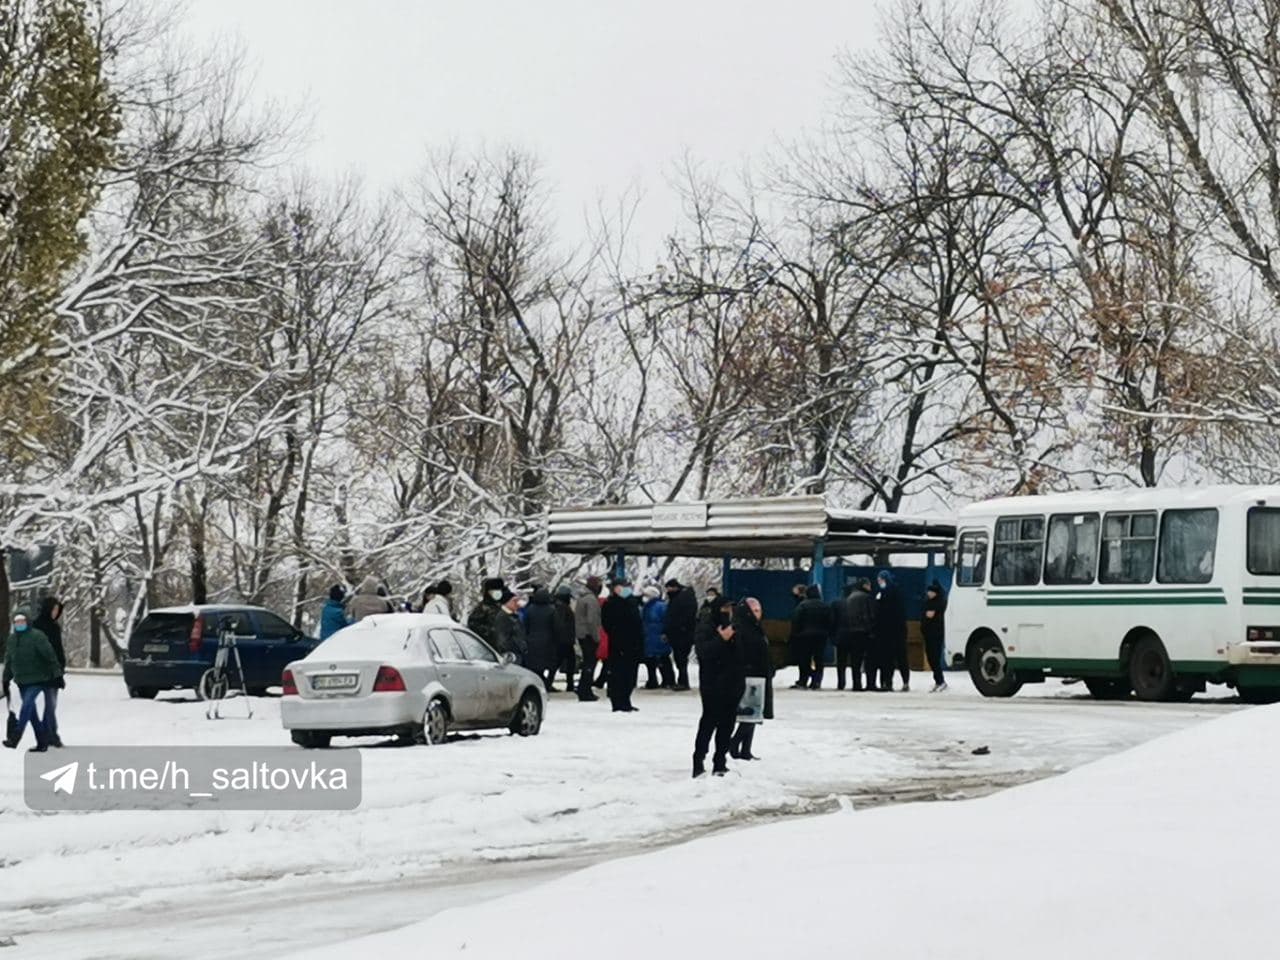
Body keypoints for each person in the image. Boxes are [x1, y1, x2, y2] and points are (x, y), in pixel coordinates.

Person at [692, 596, 745, 777]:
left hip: (733, 683)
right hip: (712, 683)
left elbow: (741, 653)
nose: (727, 612)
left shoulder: (735, 626)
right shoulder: (706, 626)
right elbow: (704, 652)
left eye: (730, 608)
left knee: (727, 724)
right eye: (724, 608)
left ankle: (720, 761)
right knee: (709, 722)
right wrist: (721, 639)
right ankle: (698, 760)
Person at [3, 609, 61, 752]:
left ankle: (16, 736)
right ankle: (42, 742)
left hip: (39, 679)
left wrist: (57, 675)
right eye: (17, 622)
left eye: (22, 621)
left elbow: (50, 656)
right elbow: (9, 661)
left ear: (27, 622)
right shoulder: (11, 640)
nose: (19, 624)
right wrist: (5, 679)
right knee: (31, 713)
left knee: (27, 705)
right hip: (22, 680)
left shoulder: (37, 636)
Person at [730, 597, 772, 762]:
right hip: (749, 676)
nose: (757, 614)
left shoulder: (756, 628)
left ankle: (746, 749)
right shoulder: (743, 629)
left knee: (754, 714)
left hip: (759, 675)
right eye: (754, 611)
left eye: (759, 610)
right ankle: (734, 743)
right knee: (750, 713)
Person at [600, 577, 643, 712]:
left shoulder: (631, 602)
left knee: (629, 675)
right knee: (619, 674)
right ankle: (618, 702)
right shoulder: (611, 604)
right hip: (619, 643)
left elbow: (637, 623)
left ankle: (626, 700)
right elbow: (607, 624)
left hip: (632, 644)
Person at [32, 597, 65, 748]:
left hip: (54, 671)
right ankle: (51, 735)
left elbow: (59, 649)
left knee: (51, 705)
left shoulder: (54, 627)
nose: (56, 613)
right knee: (50, 704)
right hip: (42, 670)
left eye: (58, 610)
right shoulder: (37, 626)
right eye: (54, 609)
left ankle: (48, 734)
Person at [791, 585, 832, 690]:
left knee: (804, 659)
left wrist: (796, 634)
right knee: (819, 659)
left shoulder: (802, 605)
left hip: (804, 636)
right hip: (821, 637)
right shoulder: (825, 606)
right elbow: (830, 621)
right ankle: (817, 682)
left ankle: (803, 680)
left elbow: (796, 620)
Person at [874, 569, 909, 692]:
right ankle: (903, 682)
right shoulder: (897, 592)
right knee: (900, 658)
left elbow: (879, 612)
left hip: (888, 632)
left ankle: (887, 682)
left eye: (880, 580)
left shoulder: (883, 594)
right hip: (897, 631)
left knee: (887, 659)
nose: (879, 582)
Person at [663, 578, 697, 691]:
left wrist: (676, 628)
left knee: (681, 658)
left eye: (669, 588)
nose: (668, 591)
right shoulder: (681, 598)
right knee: (680, 658)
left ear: (675, 587)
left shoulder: (682, 599)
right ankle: (682, 680)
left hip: (682, 634)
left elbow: (679, 617)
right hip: (680, 633)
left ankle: (683, 681)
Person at [573, 575, 603, 702]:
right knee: (590, 663)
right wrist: (597, 637)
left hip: (582, 634)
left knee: (587, 663)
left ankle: (583, 688)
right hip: (589, 635)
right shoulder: (591, 600)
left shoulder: (582, 598)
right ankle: (585, 690)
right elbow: (592, 620)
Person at [523, 586, 557, 689]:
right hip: (548, 641)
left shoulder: (529, 609)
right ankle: (547, 683)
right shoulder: (552, 610)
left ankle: (539, 682)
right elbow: (555, 626)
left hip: (532, 641)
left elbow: (525, 624)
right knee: (549, 664)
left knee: (535, 666)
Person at [640, 586, 674, 689]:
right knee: (651, 660)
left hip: (658, 636)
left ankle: (668, 680)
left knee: (662, 659)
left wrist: (665, 633)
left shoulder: (660, 606)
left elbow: (667, 621)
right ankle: (653, 680)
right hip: (650, 636)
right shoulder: (646, 606)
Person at [846, 578, 876, 692]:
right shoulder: (866, 597)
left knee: (855, 660)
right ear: (865, 585)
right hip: (865, 632)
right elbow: (870, 615)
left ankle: (856, 684)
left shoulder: (850, 597)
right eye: (869, 585)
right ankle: (870, 683)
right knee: (870, 659)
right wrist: (871, 629)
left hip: (852, 632)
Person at [922, 579, 948, 692]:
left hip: (935, 633)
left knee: (935, 657)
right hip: (927, 633)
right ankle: (937, 680)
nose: (929, 594)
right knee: (930, 657)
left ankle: (940, 680)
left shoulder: (939, 603)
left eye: (931, 592)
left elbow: (930, 616)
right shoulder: (927, 602)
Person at [467, 577, 508, 647]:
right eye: (494, 590)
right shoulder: (482, 608)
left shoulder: (504, 607)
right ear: (488, 592)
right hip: (488, 648)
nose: (498, 592)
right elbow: (473, 625)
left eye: (499, 589)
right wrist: (491, 632)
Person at [551, 586, 578, 693]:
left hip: (563, 640)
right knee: (565, 662)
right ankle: (568, 685)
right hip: (564, 640)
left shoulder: (558, 605)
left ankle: (568, 684)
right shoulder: (563, 607)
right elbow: (561, 624)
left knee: (565, 662)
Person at [492, 588, 528, 664]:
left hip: (519, 654)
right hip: (511, 656)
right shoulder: (503, 617)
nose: (517, 603)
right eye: (514, 601)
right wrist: (517, 648)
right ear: (507, 602)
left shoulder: (514, 615)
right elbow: (502, 639)